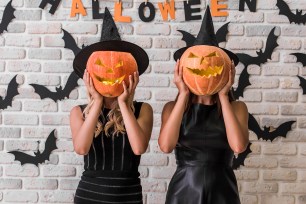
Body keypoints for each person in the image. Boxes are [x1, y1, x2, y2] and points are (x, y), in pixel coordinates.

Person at [158, 6, 249, 204]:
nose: (204, 67)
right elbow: (165, 146)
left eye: (212, 62)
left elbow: (239, 146)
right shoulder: (171, 108)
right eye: (195, 61)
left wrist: (224, 95)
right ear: (183, 69)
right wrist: (183, 93)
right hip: (183, 192)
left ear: (225, 69)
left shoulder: (237, 108)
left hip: (223, 192)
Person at [70, 7, 153, 204]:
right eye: (102, 67)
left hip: (128, 197)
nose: (110, 72)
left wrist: (123, 103)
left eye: (118, 67)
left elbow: (139, 147)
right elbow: (81, 148)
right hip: (89, 196)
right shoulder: (78, 112)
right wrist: (97, 101)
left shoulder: (143, 110)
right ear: (90, 74)